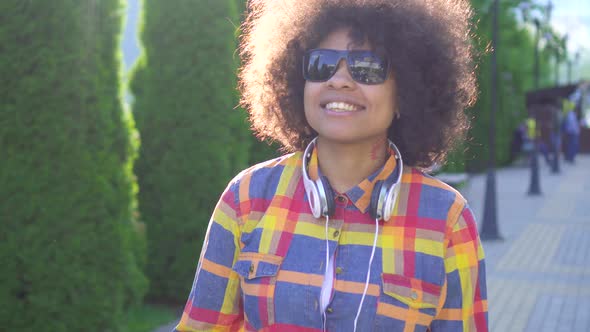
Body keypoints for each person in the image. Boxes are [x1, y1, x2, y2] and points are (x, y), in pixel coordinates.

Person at [175, 1, 488, 331]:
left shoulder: (448, 220)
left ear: (406, 93)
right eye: (322, 65)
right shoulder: (247, 198)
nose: (339, 80)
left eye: (367, 67)